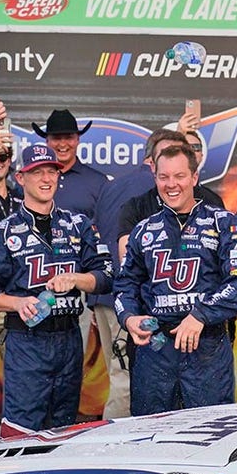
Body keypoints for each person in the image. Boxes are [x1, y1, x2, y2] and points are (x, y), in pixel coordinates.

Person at [114, 144, 237, 416]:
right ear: (154, 178)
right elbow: (124, 285)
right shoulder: (143, 230)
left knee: (209, 433)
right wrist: (129, 317)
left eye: (179, 176)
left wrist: (200, 315)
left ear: (194, 177)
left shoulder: (225, 222)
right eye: (164, 177)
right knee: (149, 433)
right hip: (154, 351)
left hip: (207, 349)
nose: (171, 184)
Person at [0, 144, 112, 439]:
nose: (46, 179)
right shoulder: (4, 231)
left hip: (70, 338)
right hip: (27, 341)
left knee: (63, 429)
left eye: (51, 171)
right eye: (37, 172)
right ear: (21, 178)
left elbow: (107, 275)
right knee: (20, 431)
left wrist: (76, 279)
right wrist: (17, 302)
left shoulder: (78, 224)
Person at [89, 127, 188, 420]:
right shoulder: (151, 193)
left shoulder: (112, 185)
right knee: (128, 380)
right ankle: (115, 450)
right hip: (135, 302)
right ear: (156, 157)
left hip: (106, 297)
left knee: (117, 375)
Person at [31, 109, 108, 217]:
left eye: (69, 137)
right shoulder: (29, 180)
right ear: (47, 141)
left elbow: (107, 224)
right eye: (56, 138)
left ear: (77, 140)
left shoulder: (98, 182)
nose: (63, 144)